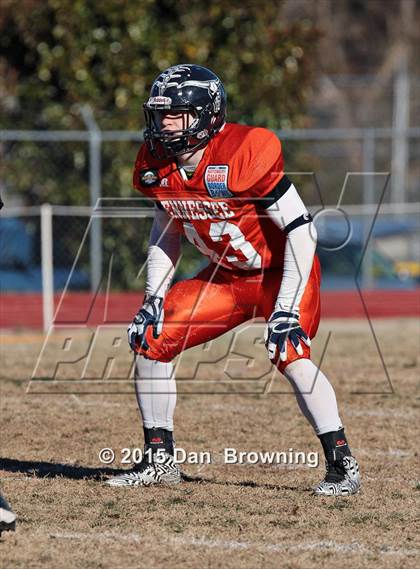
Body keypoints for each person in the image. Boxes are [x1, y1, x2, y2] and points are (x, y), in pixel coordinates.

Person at [106, 64, 361, 495]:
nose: (163, 124)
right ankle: (159, 459)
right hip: (227, 277)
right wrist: (153, 297)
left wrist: (284, 309)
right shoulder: (157, 163)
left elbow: (302, 229)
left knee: (289, 351)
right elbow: (166, 231)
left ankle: (343, 465)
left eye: (175, 114)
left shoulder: (245, 152)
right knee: (151, 338)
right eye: (160, 114)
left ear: (206, 116)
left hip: (281, 272)